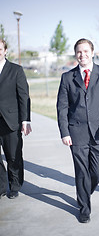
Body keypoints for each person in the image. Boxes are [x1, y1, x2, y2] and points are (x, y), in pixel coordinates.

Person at [57, 38, 99, 223]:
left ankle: (84, 191)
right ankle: (84, 209)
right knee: (81, 171)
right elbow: (62, 107)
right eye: (79, 51)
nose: (82, 55)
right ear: (75, 54)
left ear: (92, 52)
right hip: (76, 133)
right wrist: (64, 132)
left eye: (85, 51)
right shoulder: (67, 77)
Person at [0, 39, 32, 199]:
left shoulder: (16, 70)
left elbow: (24, 96)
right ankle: (1, 186)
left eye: (0, 49)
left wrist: (26, 120)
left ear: (5, 50)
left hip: (10, 121)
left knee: (13, 156)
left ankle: (15, 186)